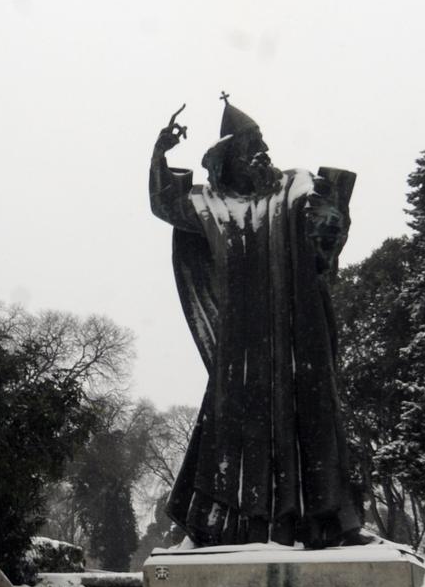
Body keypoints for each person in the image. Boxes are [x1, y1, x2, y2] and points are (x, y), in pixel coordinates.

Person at [149, 96, 368, 548]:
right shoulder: (212, 204)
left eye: (262, 143)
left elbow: (326, 222)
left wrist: (330, 218)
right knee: (238, 429)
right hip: (242, 343)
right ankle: (242, 526)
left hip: (298, 330)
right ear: (227, 161)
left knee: (313, 417)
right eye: (250, 147)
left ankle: (325, 521)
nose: (262, 153)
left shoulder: (294, 186)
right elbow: (164, 204)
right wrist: (161, 153)